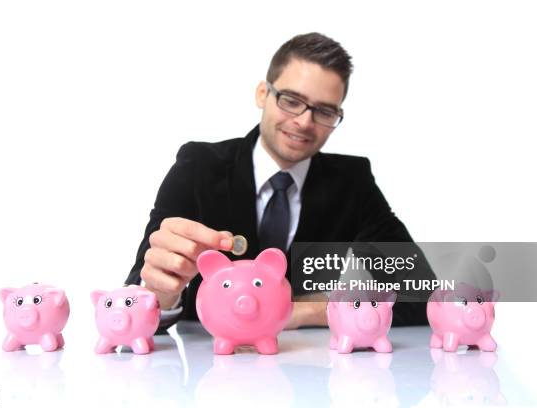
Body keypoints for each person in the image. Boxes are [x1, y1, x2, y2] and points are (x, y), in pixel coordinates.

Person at [124, 32, 435, 331]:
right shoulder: (198, 166)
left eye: (324, 111)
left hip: (308, 371)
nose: (304, 121)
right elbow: (138, 297)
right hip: (209, 367)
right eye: (291, 100)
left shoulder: (351, 183)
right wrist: (162, 298)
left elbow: (424, 298)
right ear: (263, 93)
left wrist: (305, 311)